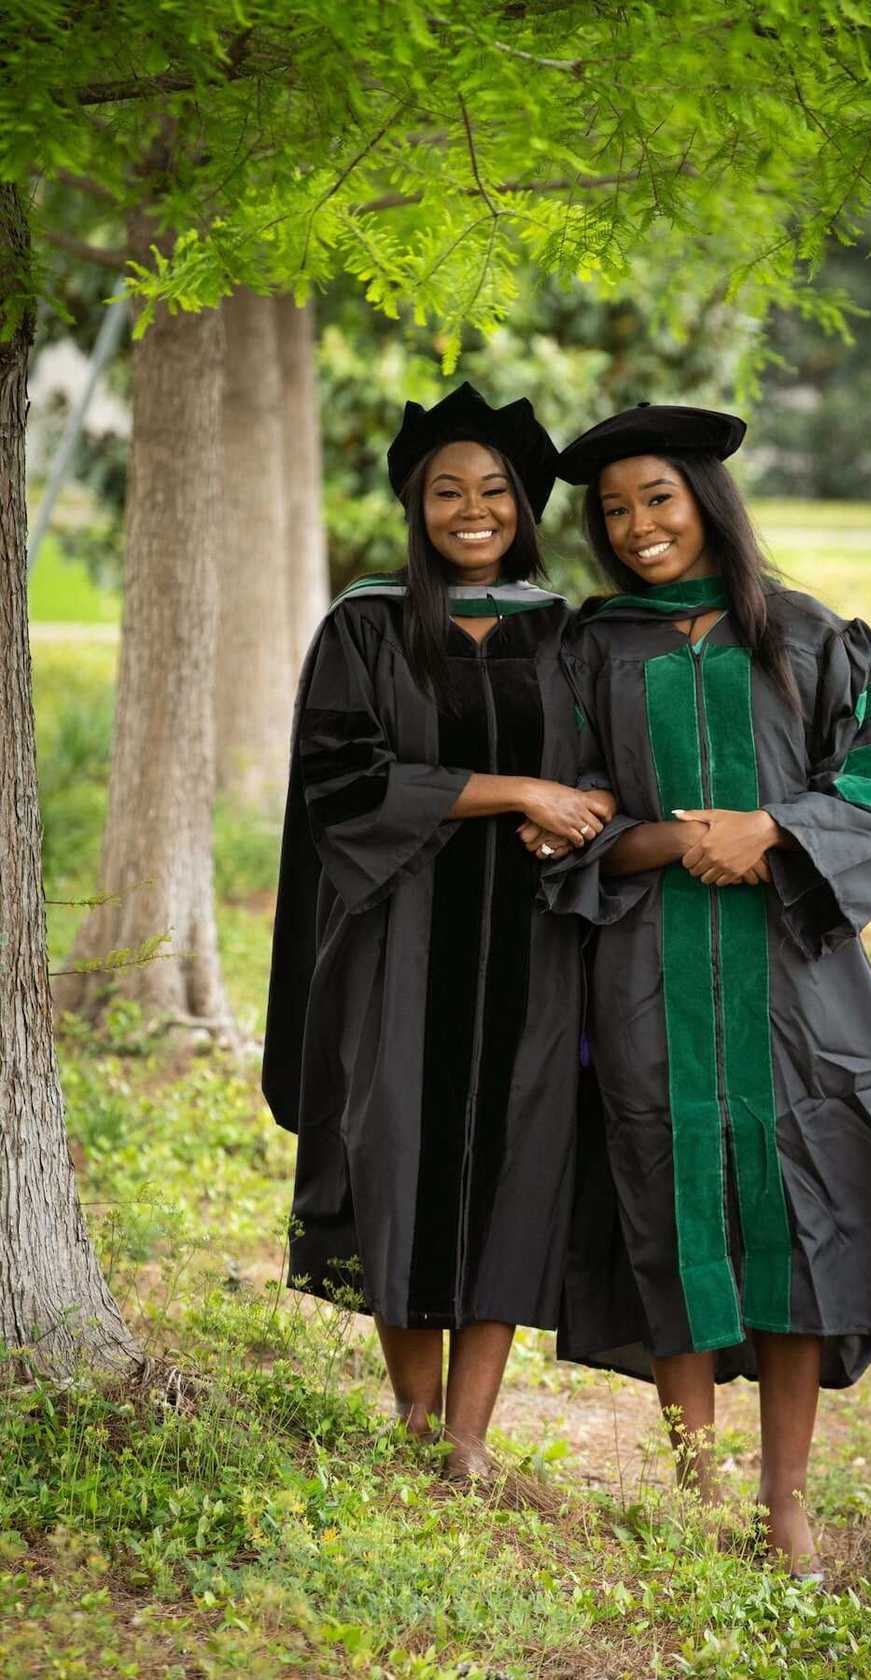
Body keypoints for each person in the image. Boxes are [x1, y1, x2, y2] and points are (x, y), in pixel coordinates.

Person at [531, 403, 871, 1576]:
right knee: (667, 1205)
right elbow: (561, 817)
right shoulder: (589, 650)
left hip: (789, 986)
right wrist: (667, 843)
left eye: (656, 497)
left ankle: (786, 1502)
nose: (638, 525)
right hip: (647, 975)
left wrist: (771, 829)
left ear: (707, 498)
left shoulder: (807, 637)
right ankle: (697, 1495)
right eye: (614, 509)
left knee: (797, 1220)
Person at [263, 382, 614, 1481]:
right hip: (395, 936)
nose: (473, 509)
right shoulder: (364, 624)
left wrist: (584, 811)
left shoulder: (566, 633)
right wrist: (518, 790)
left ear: (525, 504)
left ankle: (467, 1443)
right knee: (399, 1150)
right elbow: (343, 777)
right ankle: (414, 1420)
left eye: (495, 490)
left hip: (533, 941)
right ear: (414, 505)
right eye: (447, 491)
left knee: (513, 1162)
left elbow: (610, 766)